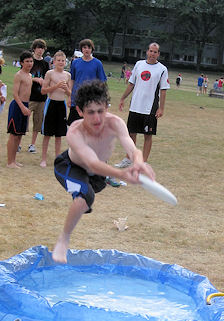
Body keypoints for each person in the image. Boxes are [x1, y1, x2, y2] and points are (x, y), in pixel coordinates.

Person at [52, 80, 154, 263]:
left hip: (98, 176)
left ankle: (82, 200)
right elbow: (92, 162)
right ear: (80, 111)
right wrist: (122, 174)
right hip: (70, 167)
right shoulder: (75, 132)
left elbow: (132, 148)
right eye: (90, 112)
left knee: (87, 197)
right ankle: (63, 239)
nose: (97, 118)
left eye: (101, 111)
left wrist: (139, 163)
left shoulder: (115, 123)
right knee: (83, 198)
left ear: (107, 107)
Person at [116, 42, 169, 166]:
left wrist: (161, 108)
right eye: (151, 51)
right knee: (131, 133)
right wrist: (123, 98)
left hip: (150, 108)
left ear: (158, 54)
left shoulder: (162, 69)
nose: (152, 54)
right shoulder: (139, 64)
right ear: (147, 52)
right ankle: (129, 158)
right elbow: (131, 84)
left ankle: (143, 163)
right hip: (135, 105)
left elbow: (163, 90)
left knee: (147, 135)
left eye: (155, 52)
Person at [39, 51, 72, 168]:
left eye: (63, 61)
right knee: (47, 134)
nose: (61, 63)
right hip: (51, 103)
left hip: (61, 105)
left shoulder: (67, 75)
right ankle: (43, 159)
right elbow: (43, 90)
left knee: (59, 134)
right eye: (58, 60)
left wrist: (66, 89)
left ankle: (57, 159)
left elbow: (70, 94)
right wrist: (56, 86)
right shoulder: (50, 73)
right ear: (54, 62)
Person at [68, 39, 107, 125]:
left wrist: (102, 99)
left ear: (92, 49)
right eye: (84, 47)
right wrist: (70, 96)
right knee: (74, 125)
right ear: (81, 49)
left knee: (89, 125)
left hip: (91, 99)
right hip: (77, 98)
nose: (87, 50)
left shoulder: (97, 63)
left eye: (89, 48)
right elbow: (72, 79)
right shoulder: (75, 63)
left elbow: (102, 83)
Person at [7, 51, 33, 168]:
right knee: (13, 135)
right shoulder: (19, 75)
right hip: (18, 106)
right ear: (22, 63)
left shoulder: (30, 75)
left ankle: (14, 160)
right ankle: (10, 162)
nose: (29, 63)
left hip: (25, 105)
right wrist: (22, 107)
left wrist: (27, 107)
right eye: (27, 61)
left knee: (19, 135)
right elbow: (15, 94)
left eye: (31, 61)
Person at [26, 39, 50, 154]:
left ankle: (32, 144)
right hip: (28, 96)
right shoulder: (29, 60)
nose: (40, 50)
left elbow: (48, 78)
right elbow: (23, 76)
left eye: (42, 48)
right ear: (34, 49)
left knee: (38, 122)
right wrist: (35, 79)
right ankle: (18, 143)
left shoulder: (45, 64)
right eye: (38, 48)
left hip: (41, 97)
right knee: (24, 119)